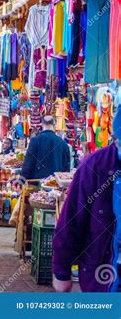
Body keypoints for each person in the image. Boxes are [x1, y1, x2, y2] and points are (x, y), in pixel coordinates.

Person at [53, 110, 121, 292]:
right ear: (115, 139)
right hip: (105, 273)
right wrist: (62, 271)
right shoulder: (96, 165)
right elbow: (72, 217)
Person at [21, 116, 70, 180]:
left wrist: (22, 178)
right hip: (56, 183)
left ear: (42, 124)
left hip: (37, 182)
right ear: (54, 125)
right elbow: (66, 166)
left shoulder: (34, 140)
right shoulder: (63, 143)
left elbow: (28, 162)